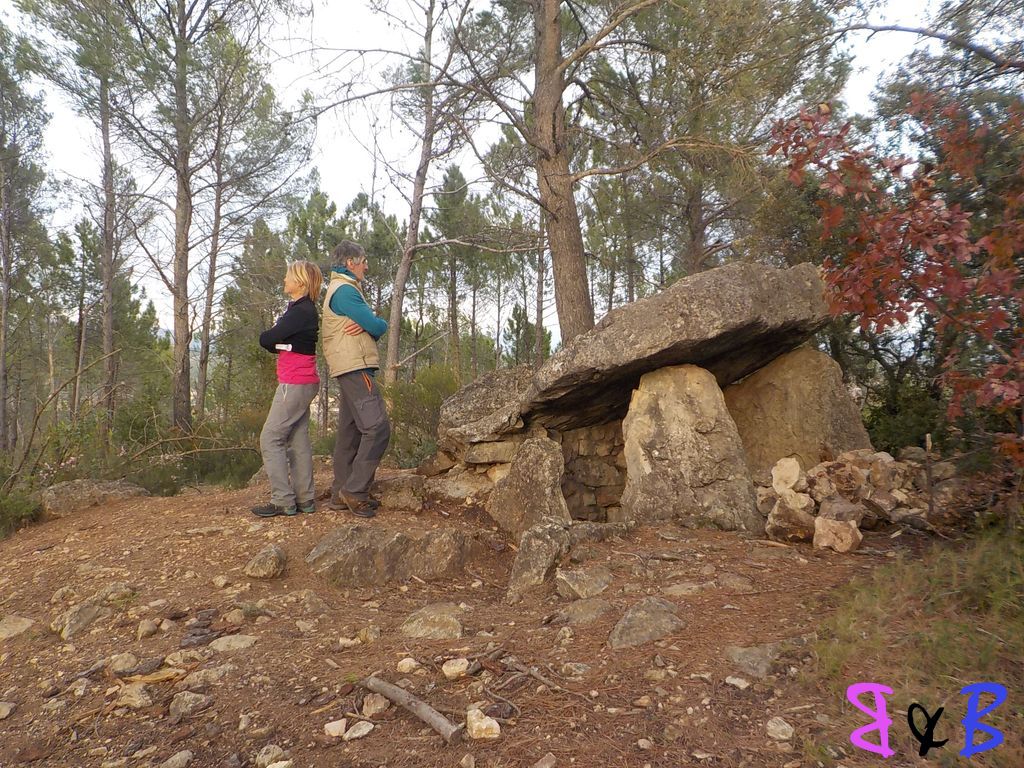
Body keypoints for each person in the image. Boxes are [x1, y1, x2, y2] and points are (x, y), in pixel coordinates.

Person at [322, 240, 391, 518]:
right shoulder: (346, 292)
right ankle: (356, 490)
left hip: (346, 366)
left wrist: (367, 324)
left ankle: (342, 491)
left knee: (350, 433)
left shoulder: (340, 290)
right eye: (363, 260)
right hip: (355, 366)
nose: (366, 265)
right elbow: (376, 325)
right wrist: (376, 324)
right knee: (377, 427)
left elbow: (368, 326)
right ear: (350, 263)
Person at [251, 260, 323, 518]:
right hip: (305, 382)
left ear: (300, 282)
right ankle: (305, 500)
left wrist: (276, 342)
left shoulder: (300, 312)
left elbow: (267, 338)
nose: (284, 280)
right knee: (297, 439)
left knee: (270, 438)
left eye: (288, 276)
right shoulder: (304, 310)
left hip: (293, 384)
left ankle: (283, 500)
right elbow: (276, 341)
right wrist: (281, 344)